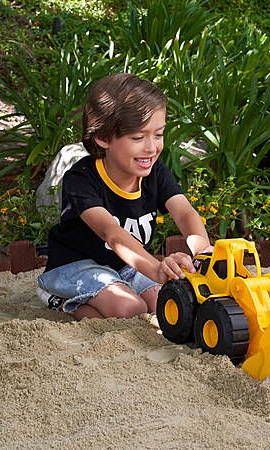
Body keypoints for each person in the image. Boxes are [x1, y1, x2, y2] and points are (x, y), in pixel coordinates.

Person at [37, 73, 212, 320]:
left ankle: (115, 292)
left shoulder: (155, 172)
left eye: (158, 134)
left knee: (162, 300)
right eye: (138, 137)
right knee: (129, 308)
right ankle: (56, 297)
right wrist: (156, 270)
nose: (151, 147)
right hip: (75, 266)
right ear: (103, 137)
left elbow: (183, 213)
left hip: (124, 266)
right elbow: (112, 234)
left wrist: (204, 252)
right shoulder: (81, 179)